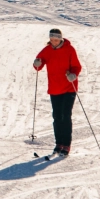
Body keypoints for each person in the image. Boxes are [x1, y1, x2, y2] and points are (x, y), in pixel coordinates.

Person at [33, 28, 82, 156]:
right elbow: (39, 63)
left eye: (56, 40)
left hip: (69, 87)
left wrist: (73, 74)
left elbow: (77, 66)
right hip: (55, 88)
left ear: (60, 39)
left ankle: (66, 144)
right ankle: (58, 144)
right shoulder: (47, 50)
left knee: (65, 115)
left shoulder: (69, 49)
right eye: (51, 40)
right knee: (57, 116)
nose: (54, 42)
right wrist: (37, 63)